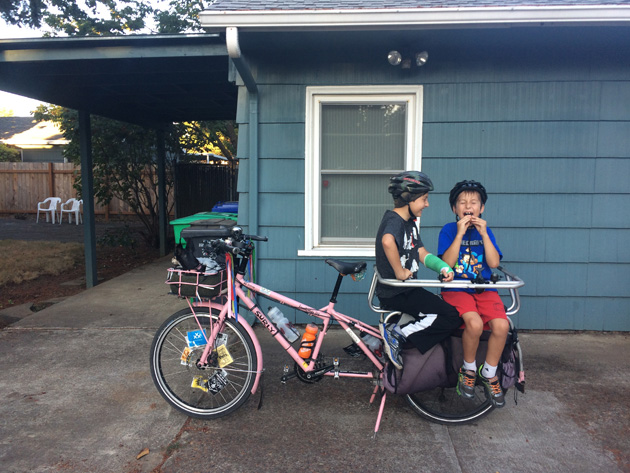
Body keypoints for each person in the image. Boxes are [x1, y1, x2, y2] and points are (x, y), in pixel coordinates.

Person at [375, 171, 462, 370]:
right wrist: (399, 271)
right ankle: (398, 335)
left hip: (407, 290)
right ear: (409, 199)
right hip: (397, 293)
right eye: (424, 199)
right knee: (450, 316)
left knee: (442, 310)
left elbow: (421, 253)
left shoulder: (409, 223)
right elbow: (387, 241)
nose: (427, 204)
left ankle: (401, 339)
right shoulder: (394, 221)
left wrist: (443, 267)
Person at [438, 180, 509, 407]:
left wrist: (484, 234)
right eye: (462, 202)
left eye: (473, 202)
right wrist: (459, 234)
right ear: (454, 209)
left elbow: (494, 262)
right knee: (475, 324)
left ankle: (489, 372)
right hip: (456, 288)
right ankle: (468, 370)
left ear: (481, 208)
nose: (468, 206)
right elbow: (446, 264)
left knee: (502, 326)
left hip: (484, 288)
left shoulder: (486, 231)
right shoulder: (448, 230)